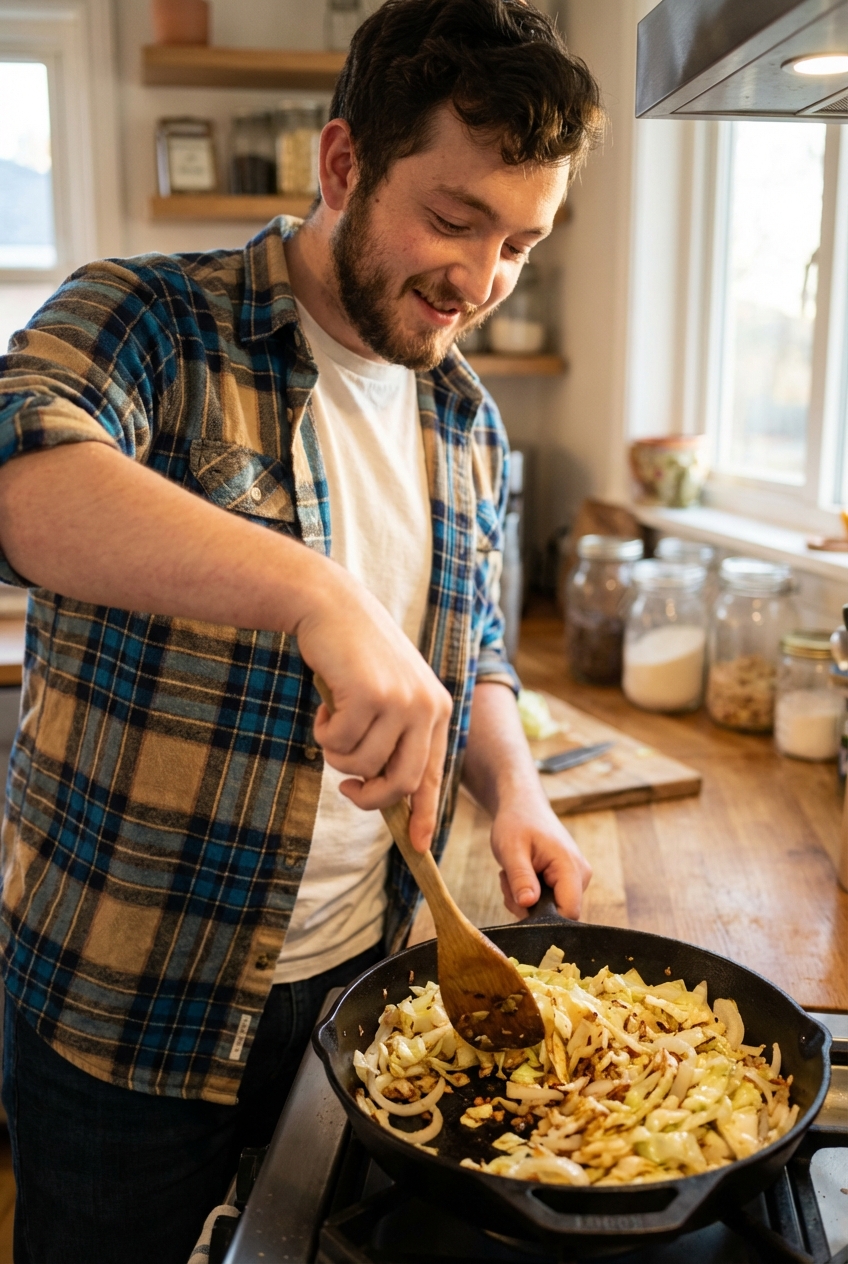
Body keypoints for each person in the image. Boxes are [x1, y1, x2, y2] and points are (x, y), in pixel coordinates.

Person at [0, 0, 602, 1259]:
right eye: (451, 219)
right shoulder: (152, 321)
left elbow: (471, 638)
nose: (480, 280)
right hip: (131, 1006)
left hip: (362, 987)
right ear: (342, 166)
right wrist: (315, 591)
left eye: (518, 243)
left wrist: (517, 792)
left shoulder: (467, 422)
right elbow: (18, 470)